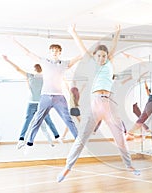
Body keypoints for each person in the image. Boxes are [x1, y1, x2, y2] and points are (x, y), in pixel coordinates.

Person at [57, 24, 139, 183]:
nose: (101, 58)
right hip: (94, 104)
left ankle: (129, 166)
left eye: (104, 56)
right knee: (81, 139)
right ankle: (67, 168)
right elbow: (82, 49)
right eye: (99, 55)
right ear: (95, 56)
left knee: (120, 138)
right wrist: (73, 32)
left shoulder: (108, 64)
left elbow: (114, 47)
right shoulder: (92, 64)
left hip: (109, 104)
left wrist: (117, 32)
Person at [11, 36, 81, 148]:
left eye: (57, 51)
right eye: (53, 51)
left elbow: (80, 56)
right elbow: (28, 53)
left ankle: (78, 139)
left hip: (59, 97)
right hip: (45, 96)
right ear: (50, 52)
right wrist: (15, 42)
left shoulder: (64, 64)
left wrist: (80, 42)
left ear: (60, 53)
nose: (55, 52)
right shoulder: (44, 61)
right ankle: (29, 141)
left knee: (68, 118)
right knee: (38, 118)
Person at [2, 55, 61, 149]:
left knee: (28, 121)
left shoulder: (32, 76)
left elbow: (17, 69)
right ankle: (57, 136)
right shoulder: (44, 78)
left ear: (34, 70)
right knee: (48, 120)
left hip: (34, 102)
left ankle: (21, 139)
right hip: (41, 103)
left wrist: (8, 60)